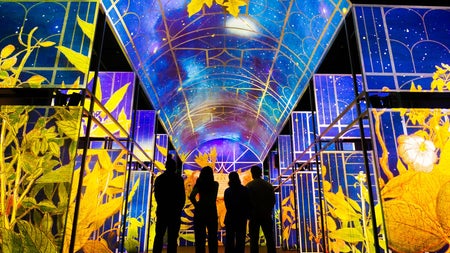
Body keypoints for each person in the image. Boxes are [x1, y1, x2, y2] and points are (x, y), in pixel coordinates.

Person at [152, 155, 186, 253]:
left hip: (162, 211)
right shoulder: (178, 179)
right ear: (174, 167)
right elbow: (182, 196)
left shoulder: (159, 179)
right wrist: (178, 208)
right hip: (174, 212)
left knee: (159, 235)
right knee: (172, 238)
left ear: (165, 166)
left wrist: (162, 205)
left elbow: (157, 195)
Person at [246, 165, 276, 253]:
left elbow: (247, 202)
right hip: (266, 215)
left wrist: (249, 213)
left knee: (254, 240)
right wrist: (268, 209)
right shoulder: (268, 186)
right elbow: (273, 200)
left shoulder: (249, 186)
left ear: (252, 174)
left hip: (254, 216)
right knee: (269, 238)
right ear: (261, 173)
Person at [189, 166, 219, 253]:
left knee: (199, 238)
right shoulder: (215, 184)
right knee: (213, 237)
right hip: (211, 212)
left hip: (200, 212)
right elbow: (213, 199)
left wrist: (197, 205)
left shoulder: (199, 184)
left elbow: (192, 196)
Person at [224, 171, 250, 253]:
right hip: (241, 218)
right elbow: (247, 204)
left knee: (229, 240)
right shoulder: (245, 190)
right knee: (240, 240)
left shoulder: (227, 191)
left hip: (230, 217)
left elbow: (227, 205)